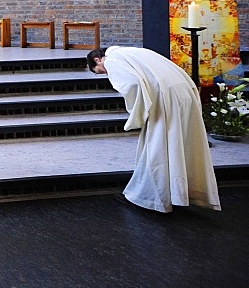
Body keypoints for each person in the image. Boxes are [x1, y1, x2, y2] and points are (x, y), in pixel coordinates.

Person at [87, 46, 221, 213]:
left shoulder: (112, 60)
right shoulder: (132, 51)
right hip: (185, 92)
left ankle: (150, 198)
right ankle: (181, 192)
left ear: (97, 60)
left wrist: (137, 114)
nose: (106, 74)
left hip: (166, 98)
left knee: (157, 147)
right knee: (180, 144)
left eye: (100, 72)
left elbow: (132, 84)